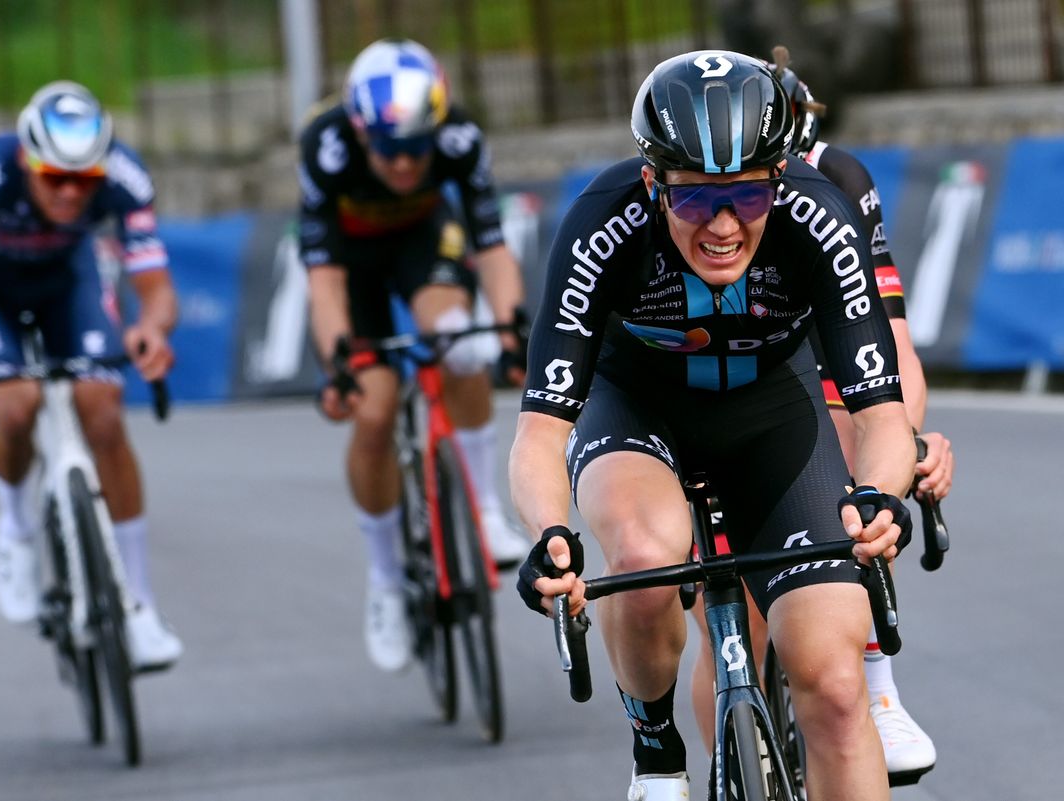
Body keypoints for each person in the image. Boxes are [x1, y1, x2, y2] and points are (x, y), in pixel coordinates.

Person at [512, 51, 915, 800]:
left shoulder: (819, 217)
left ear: (780, 177)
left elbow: (882, 413)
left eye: (749, 196)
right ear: (651, 182)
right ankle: (658, 751)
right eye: (696, 200)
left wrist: (883, 494)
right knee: (638, 556)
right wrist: (548, 532)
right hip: (637, 404)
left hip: (772, 413)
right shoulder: (601, 225)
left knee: (831, 686)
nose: (725, 224)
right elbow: (539, 430)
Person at [683, 46, 954, 785]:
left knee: (856, 464)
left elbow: (888, 345)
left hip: (819, 363)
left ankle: (874, 679)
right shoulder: (692, 197)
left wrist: (904, 439)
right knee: (731, 618)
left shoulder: (834, 182)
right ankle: (737, 763)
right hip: (715, 376)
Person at [0, 80, 183, 671]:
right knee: (15, 408)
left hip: (69, 283)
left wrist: (153, 329)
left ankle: (138, 603)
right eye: (54, 178)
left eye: (83, 181)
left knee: (104, 408)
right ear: (25, 159)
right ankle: (14, 527)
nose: (70, 193)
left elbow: (156, 288)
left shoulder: (125, 176)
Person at [297, 39, 529, 672]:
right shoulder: (327, 146)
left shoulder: (457, 135)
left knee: (460, 341)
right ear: (360, 131)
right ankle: (386, 581)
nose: (404, 164)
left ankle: (482, 508)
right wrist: (338, 362)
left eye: (416, 149)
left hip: (422, 244)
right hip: (351, 261)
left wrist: (511, 329)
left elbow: (491, 244)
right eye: (390, 151)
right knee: (372, 413)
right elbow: (324, 281)